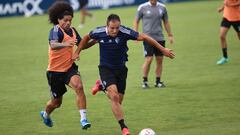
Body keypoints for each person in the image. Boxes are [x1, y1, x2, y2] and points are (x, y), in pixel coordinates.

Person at [72, 14, 175, 135]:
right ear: (107, 26)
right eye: (112, 28)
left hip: (121, 70)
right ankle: (124, 128)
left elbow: (146, 37)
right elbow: (86, 37)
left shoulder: (125, 32)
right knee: (114, 97)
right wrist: (77, 52)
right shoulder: (99, 32)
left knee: (117, 101)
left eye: (117, 28)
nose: (115, 31)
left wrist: (163, 49)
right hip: (106, 69)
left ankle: (101, 86)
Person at [40, 1, 95, 129]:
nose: (68, 23)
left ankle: (83, 120)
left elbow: (83, 45)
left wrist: (95, 41)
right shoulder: (55, 30)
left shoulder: (73, 31)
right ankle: (46, 114)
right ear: (58, 20)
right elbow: (53, 45)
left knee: (79, 86)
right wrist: (66, 43)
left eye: (70, 20)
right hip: (54, 72)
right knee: (56, 103)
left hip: (69, 68)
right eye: (65, 20)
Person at [133, 0, 174, 89]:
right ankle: (145, 81)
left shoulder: (162, 7)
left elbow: (166, 22)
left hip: (160, 38)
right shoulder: (142, 7)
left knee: (159, 60)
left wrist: (170, 34)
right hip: (147, 38)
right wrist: (135, 35)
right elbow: (136, 21)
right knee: (149, 59)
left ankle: (158, 81)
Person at [217, 0, 240, 65]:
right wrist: (221, 8)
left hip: (237, 19)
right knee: (222, 36)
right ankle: (225, 57)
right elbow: (226, 2)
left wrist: (230, 5)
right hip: (226, 17)